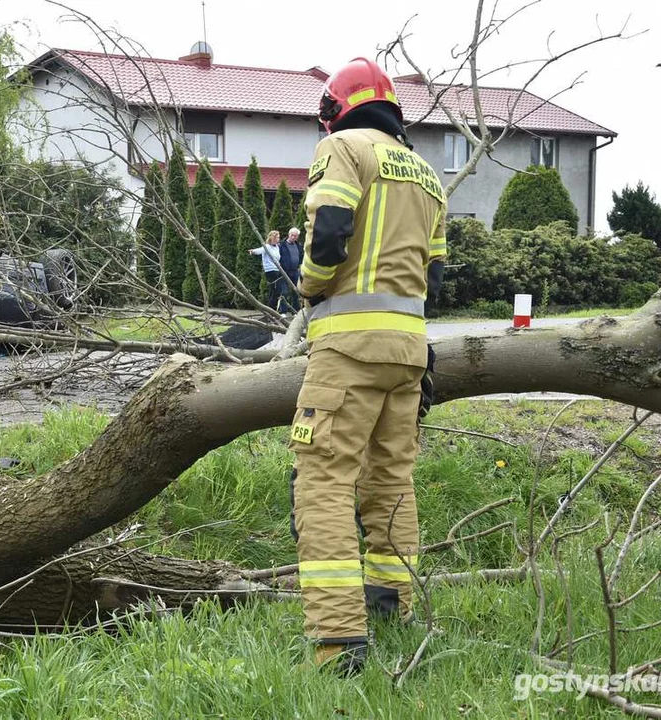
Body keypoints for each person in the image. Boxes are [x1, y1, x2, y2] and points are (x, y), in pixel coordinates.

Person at [288, 56, 447, 677]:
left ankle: (337, 644)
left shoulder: (343, 149)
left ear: (336, 110)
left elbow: (328, 232)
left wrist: (307, 288)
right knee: (391, 481)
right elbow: (433, 275)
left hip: (348, 348)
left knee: (322, 483)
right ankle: (391, 608)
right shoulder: (427, 174)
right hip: (409, 349)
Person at [248, 229, 285, 312]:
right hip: (270, 270)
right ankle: (271, 310)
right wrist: (253, 251)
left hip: (277, 270)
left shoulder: (277, 247)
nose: (279, 239)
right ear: (273, 238)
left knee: (277, 291)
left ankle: (273, 309)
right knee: (274, 291)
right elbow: (259, 250)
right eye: (277, 238)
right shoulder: (267, 246)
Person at [278, 227, 303, 313]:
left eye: (295, 236)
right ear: (289, 235)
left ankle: (295, 311)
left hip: (295, 271)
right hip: (285, 271)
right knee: (284, 292)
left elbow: (301, 257)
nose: (293, 237)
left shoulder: (298, 245)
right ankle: (283, 311)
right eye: (292, 235)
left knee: (296, 291)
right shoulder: (282, 245)